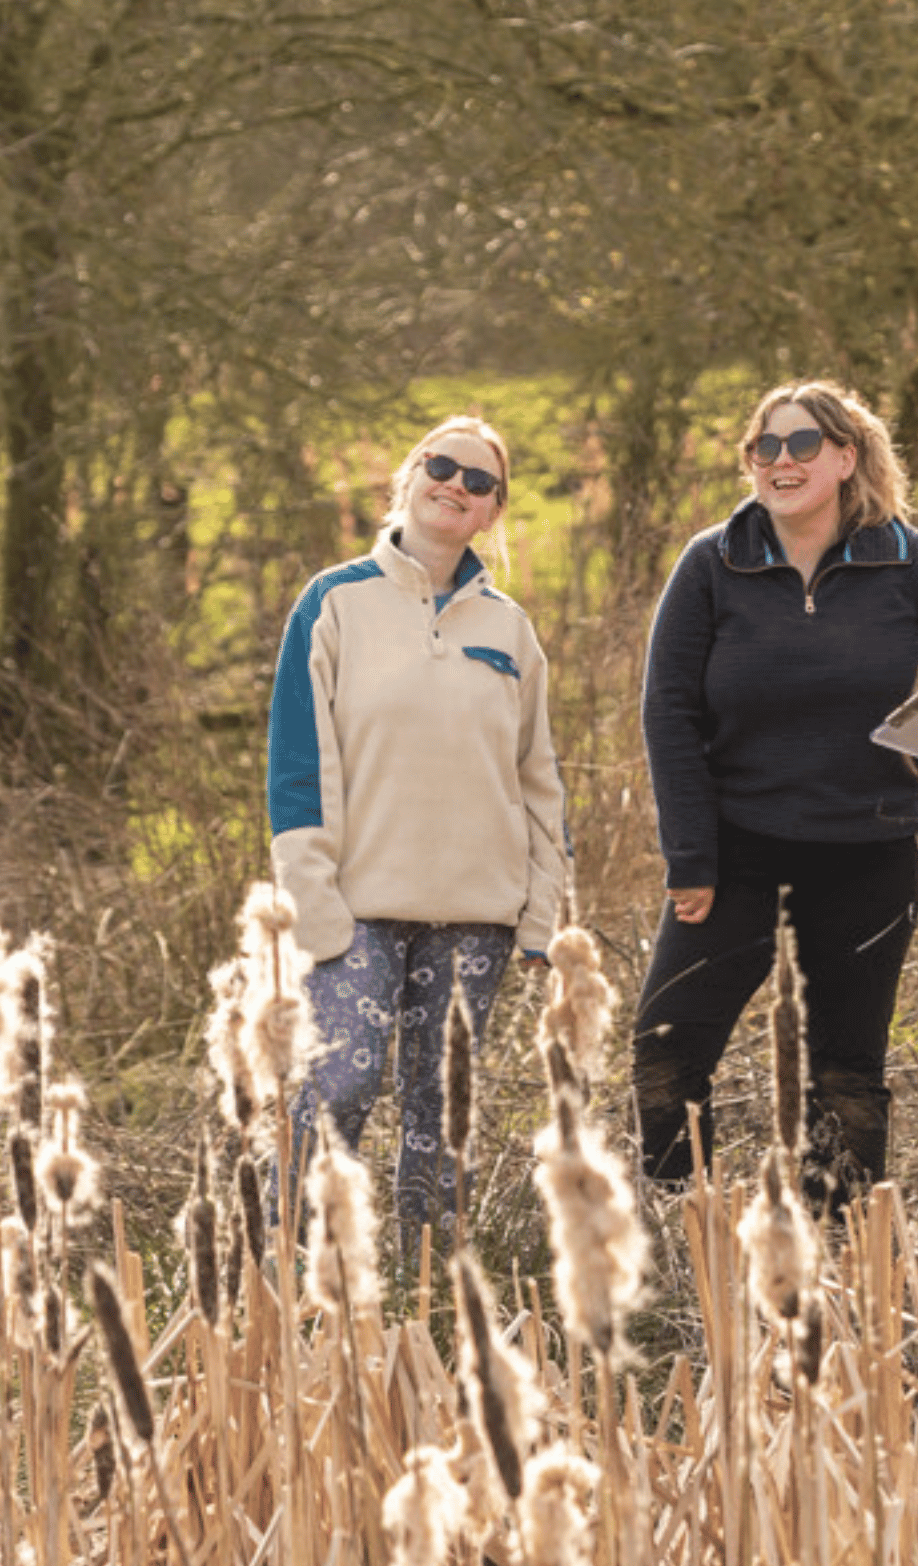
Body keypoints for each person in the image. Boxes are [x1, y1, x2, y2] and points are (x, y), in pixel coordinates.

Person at [635, 379, 918, 1214]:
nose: (780, 462)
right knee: (667, 1048)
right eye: (765, 447)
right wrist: (691, 857)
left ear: (846, 457)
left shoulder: (901, 556)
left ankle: (840, 1243)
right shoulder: (712, 562)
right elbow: (668, 715)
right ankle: (683, 1236)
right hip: (736, 850)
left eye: (802, 445)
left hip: (871, 851)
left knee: (847, 1070)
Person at [266, 415, 568, 1247]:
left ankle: (426, 1285)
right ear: (410, 476)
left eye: (480, 482)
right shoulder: (334, 601)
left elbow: (537, 777)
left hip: (479, 912)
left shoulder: (509, 629)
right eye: (443, 466)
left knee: (445, 1106)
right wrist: (311, 903)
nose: (457, 487)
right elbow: (297, 764)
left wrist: (542, 909)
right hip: (356, 904)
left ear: (493, 512)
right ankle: (288, 1268)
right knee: (343, 1079)